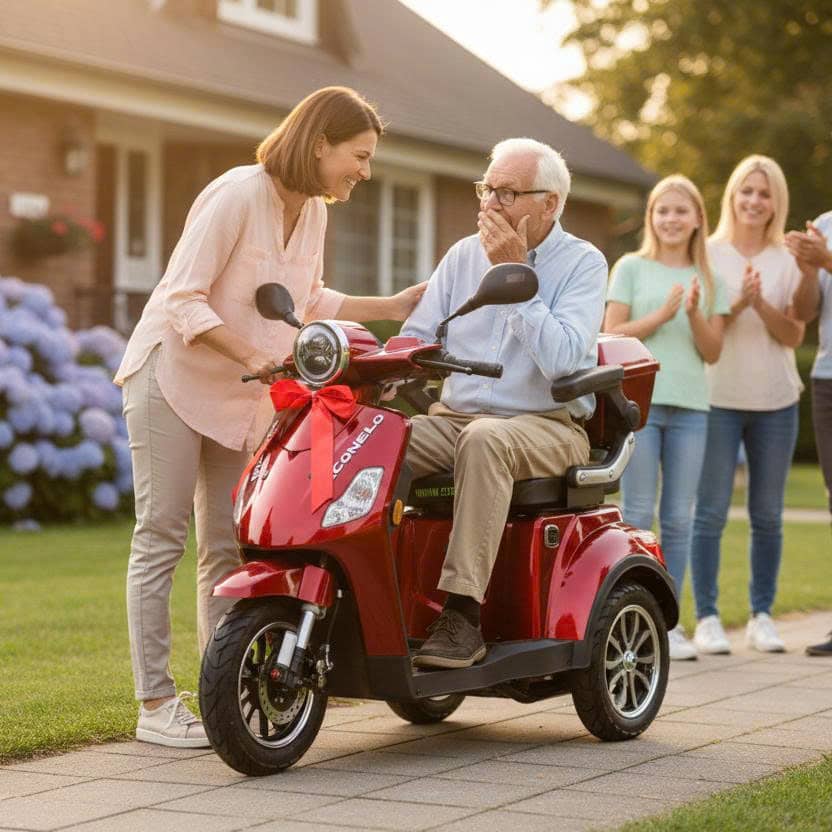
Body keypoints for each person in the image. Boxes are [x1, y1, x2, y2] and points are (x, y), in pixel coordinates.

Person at [114, 87, 426, 746]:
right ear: (320, 143)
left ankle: (219, 692)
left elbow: (308, 296)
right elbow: (182, 298)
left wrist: (392, 303)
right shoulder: (236, 194)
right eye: (360, 156)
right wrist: (254, 355)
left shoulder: (312, 209)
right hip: (170, 376)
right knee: (162, 534)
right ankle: (153, 704)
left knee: (229, 545)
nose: (364, 172)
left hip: (240, 392)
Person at [400, 137, 607, 669]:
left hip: (547, 425)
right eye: (487, 188)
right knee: (374, 439)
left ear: (550, 204)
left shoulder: (584, 263)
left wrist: (519, 279)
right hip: (454, 418)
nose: (490, 204)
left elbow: (564, 362)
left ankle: (463, 616)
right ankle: (365, 598)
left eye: (508, 193)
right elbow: (418, 338)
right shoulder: (460, 256)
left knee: (485, 439)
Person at [604, 175, 729, 661]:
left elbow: (713, 351)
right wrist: (661, 315)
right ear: (652, 217)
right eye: (662, 210)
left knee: (679, 516)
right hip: (641, 408)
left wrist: (694, 313)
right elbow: (612, 332)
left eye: (681, 211)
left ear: (698, 218)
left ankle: (670, 624)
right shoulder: (632, 267)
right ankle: (635, 616)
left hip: (692, 408)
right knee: (638, 512)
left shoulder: (707, 275)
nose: (672, 219)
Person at [690, 155, 805, 655]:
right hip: (718, 399)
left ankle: (762, 615)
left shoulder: (788, 259)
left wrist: (760, 304)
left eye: (764, 193)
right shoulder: (708, 255)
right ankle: (709, 618)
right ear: (732, 196)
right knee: (710, 513)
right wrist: (737, 305)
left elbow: (794, 333)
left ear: (776, 202)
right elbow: (704, 335)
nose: (754, 201)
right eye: (746, 192)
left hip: (777, 402)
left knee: (768, 515)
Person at [787, 212, 832, 656]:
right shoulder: (825, 225)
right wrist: (809, 270)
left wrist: (828, 259)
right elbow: (803, 312)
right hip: (828, 378)